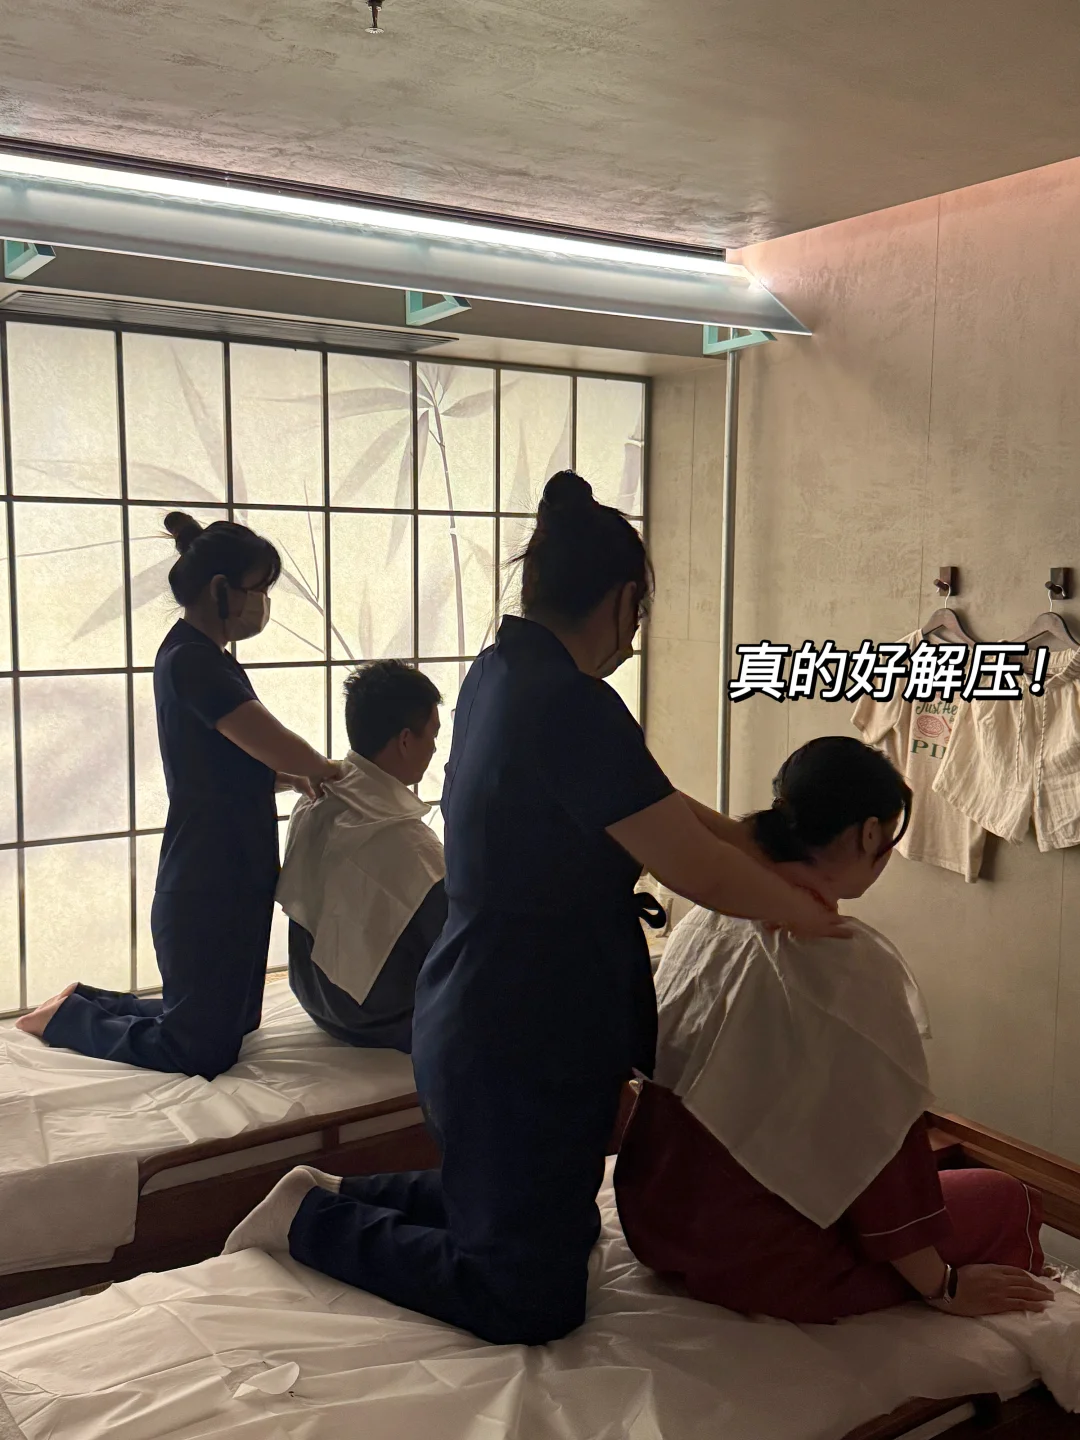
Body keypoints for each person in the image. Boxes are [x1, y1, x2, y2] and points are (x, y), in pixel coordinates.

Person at [223, 470, 848, 1346]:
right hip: (517, 1025)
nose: (635, 635)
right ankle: (312, 1223)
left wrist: (761, 852)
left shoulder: (503, 672)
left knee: (529, 1216)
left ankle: (332, 1197)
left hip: (494, 1006)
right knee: (530, 1299)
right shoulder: (570, 703)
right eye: (640, 613)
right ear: (623, 600)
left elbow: (660, 811)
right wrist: (808, 912)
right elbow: (689, 863)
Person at [615, 736, 1054, 1324]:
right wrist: (943, 1286)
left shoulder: (714, 912)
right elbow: (880, 1151)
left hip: (654, 1219)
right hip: (755, 1260)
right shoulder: (847, 966)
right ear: (870, 834)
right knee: (1008, 1198)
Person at [16, 512, 340, 1080]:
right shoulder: (193, 661)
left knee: (233, 1023)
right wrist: (333, 770)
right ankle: (67, 1018)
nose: (263, 604)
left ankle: (86, 1000)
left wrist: (293, 779)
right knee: (200, 1051)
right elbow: (274, 743)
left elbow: (231, 763)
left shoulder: (209, 658)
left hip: (237, 866)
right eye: (257, 589)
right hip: (208, 873)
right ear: (219, 589)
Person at [279, 660, 447, 1052]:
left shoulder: (316, 797)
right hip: (376, 1019)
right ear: (405, 740)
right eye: (433, 734)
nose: (435, 747)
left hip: (311, 993)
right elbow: (453, 943)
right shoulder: (408, 842)